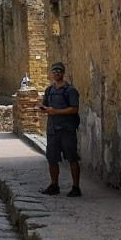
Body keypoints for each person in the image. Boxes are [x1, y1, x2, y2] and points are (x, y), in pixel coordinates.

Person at [40, 62, 81, 197]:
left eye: (59, 71)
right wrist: (44, 109)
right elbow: (45, 105)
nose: (56, 73)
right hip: (53, 130)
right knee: (52, 159)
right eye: (54, 71)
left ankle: (76, 187)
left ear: (63, 73)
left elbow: (74, 108)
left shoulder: (70, 90)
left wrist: (57, 111)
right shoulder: (49, 90)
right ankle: (54, 185)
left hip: (67, 129)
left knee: (72, 158)